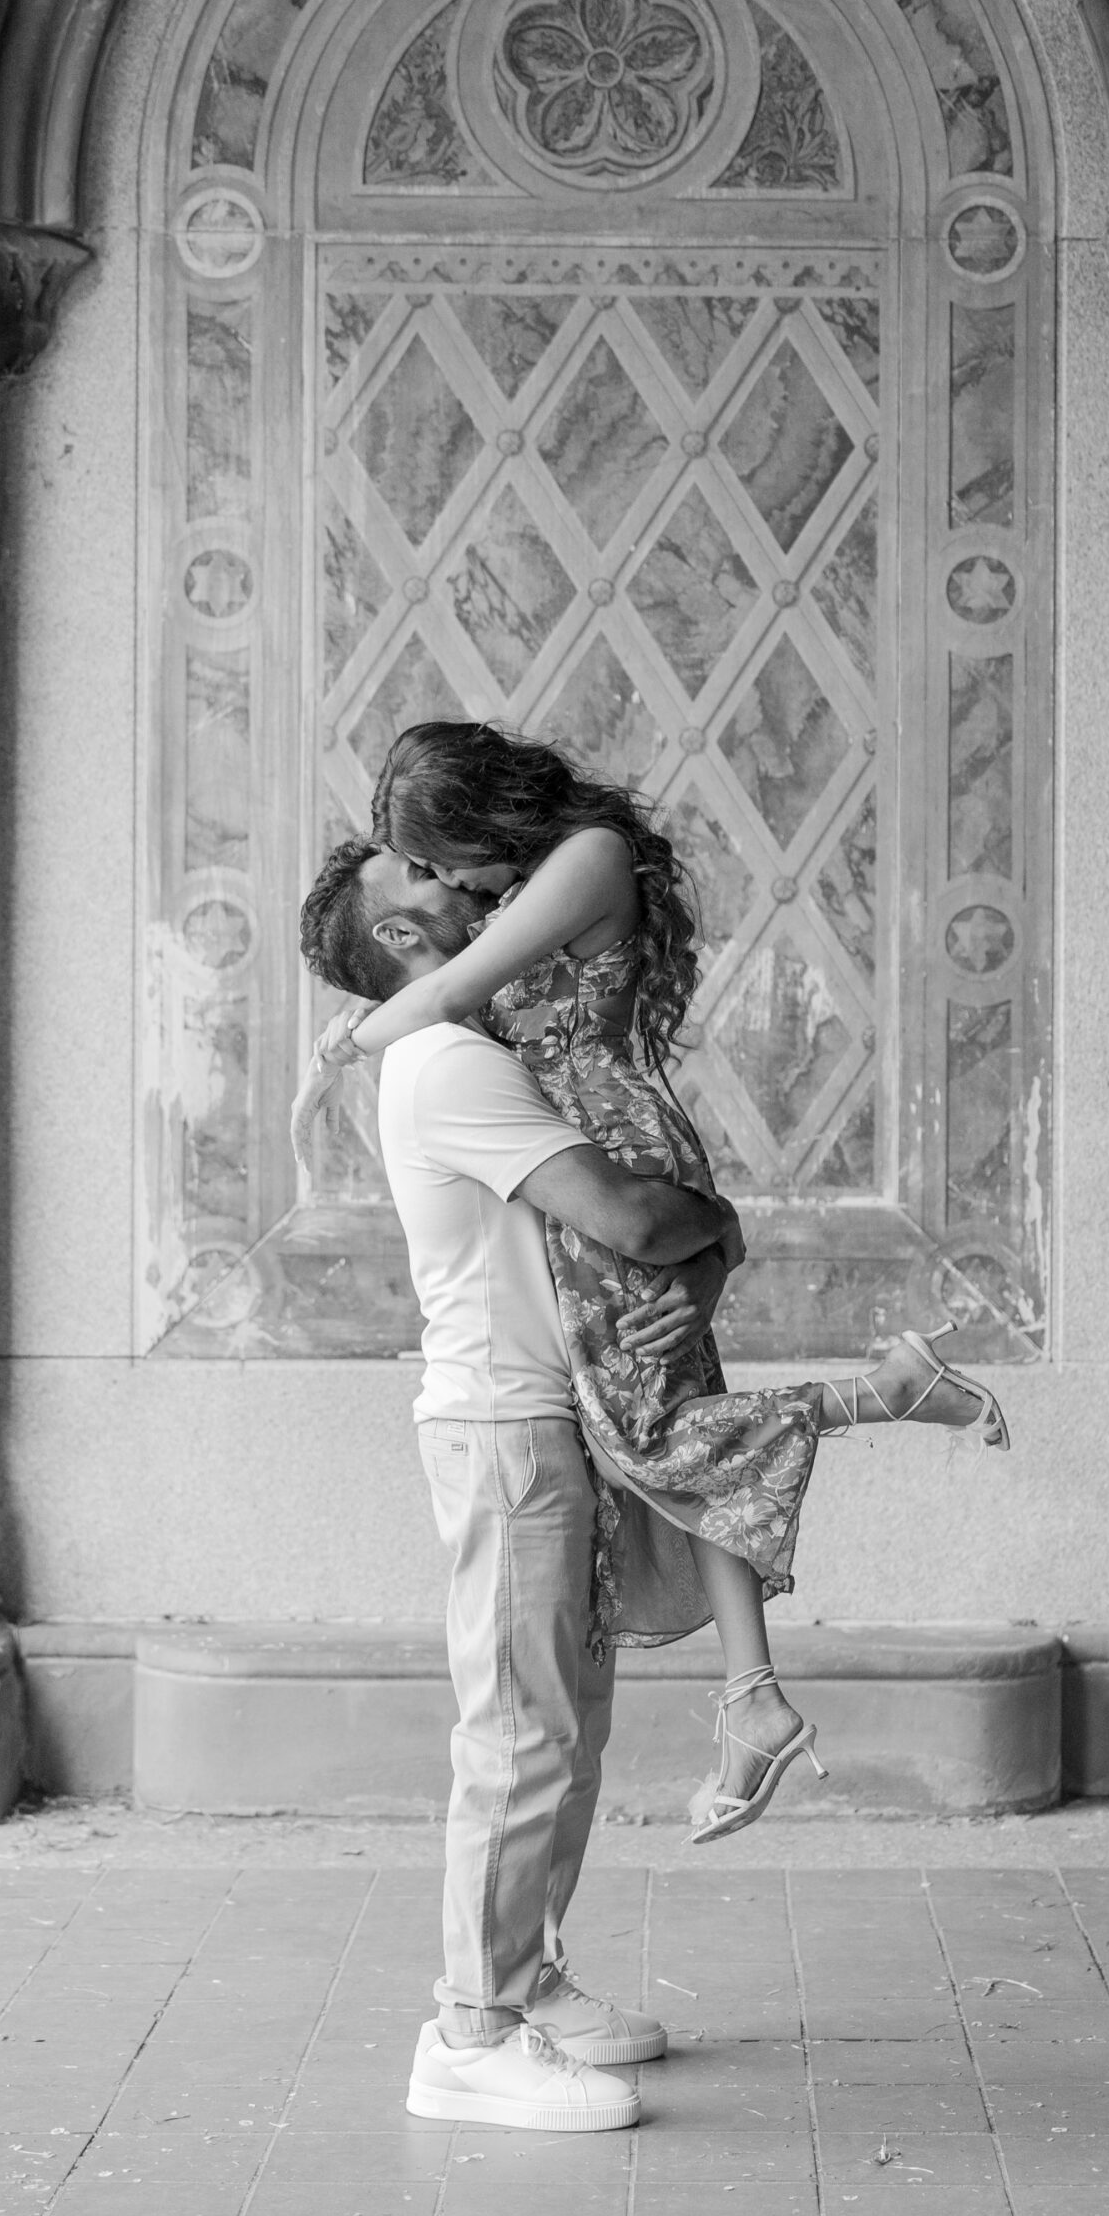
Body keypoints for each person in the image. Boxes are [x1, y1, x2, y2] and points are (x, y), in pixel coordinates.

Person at [293, 722, 1009, 1847]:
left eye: (441, 859)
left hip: (617, 1150)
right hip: (596, 1156)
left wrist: (340, 1048)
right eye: (428, 875)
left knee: (646, 1427)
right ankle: (754, 1695)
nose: (456, 886)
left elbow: (439, 1000)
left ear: (484, 816)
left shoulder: (585, 856)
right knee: (662, 1423)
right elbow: (448, 996)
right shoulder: (537, 882)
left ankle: (884, 1397)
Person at [298, 837, 745, 2131]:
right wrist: (713, 1227)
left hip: (546, 1423)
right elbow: (623, 1217)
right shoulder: (444, 1062)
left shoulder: (460, 1048)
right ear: (396, 939)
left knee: (565, 1725)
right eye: (422, 878)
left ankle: (528, 1979)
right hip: (505, 1432)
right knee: (517, 1734)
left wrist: (704, 1230)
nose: (467, 885)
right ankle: (469, 2034)